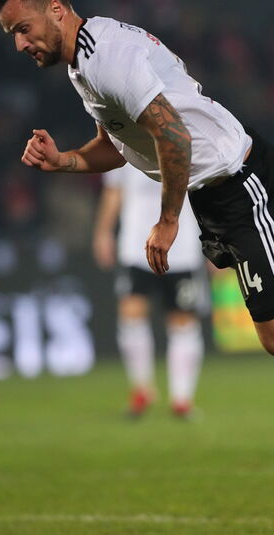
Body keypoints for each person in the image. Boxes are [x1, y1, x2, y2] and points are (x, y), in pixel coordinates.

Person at [0, 0, 274, 360]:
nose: (19, 44)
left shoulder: (106, 58)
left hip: (241, 180)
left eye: (23, 29)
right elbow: (119, 144)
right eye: (11, 34)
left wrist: (167, 222)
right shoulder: (85, 62)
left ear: (56, 10)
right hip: (215, 193)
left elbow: (172, 135)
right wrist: (64, 160)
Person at [93, 164, 207, 419]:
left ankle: (182, 398)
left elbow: (205, 188)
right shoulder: (120, 136)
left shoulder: (186, 136)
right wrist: (103, 233)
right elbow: (114, 190)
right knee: (131, 314)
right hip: (135, 245)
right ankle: (142, 389)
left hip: (182, 246)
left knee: (183, 321)